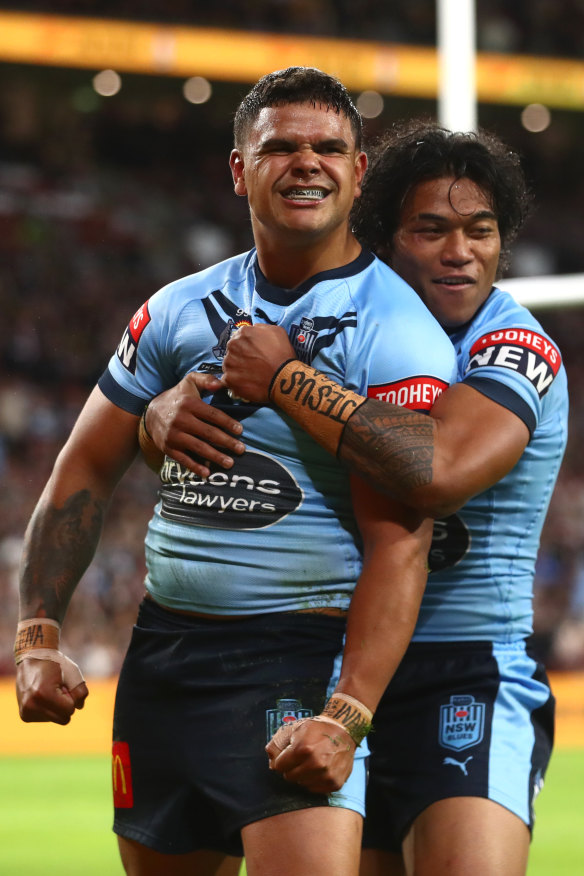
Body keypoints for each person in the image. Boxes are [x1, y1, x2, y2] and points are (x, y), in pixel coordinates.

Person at [14, 72, 457, 876]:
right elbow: (81, 469)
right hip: (164, 656)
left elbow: (403, 540)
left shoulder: (397, 330)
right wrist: (38, 634)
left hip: (299, 655)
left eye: (329, 148)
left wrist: (347, 715)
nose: (306, 164)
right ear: (236, 169)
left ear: (360, 173)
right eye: (280, 146)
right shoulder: (175, 309)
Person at [142, 120, 568, 875]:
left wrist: (285, 380)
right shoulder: (350, 330)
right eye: (431, 230)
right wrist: (155, 417)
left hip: (462, 669)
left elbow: (438, 471)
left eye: (480, 230)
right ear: (385, 238)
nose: (459, 252)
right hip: (339, 664)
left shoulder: (515, 345)